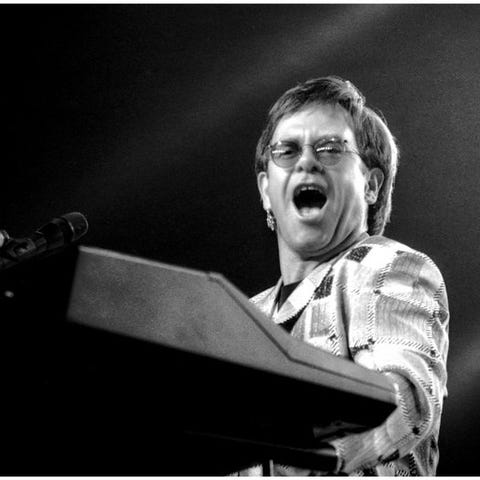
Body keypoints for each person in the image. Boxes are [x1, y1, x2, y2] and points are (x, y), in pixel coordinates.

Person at [240, 76, 449, 476]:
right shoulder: (243, 315)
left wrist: (286, 445)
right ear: (266, 191)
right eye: (287, 150)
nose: (306, 162)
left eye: (331, 149)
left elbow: (402, 400)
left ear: (371, 186)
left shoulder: (387, 267)